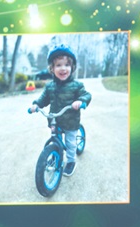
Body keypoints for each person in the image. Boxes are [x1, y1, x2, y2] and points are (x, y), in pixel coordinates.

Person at [29, 44, 91, 177]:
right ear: (52, 68)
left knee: (70, 142)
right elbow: (43, 99)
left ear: (72, 67)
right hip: (54, 120)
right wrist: (36, 105)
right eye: (58, 65)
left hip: (70, 121)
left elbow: (86, 95)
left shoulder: (77, 85)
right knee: (55, 138)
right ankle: (55, 153)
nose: (63, 68)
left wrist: (81, 101)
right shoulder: (49, 86)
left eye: (67, 65)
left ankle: (71, 161)